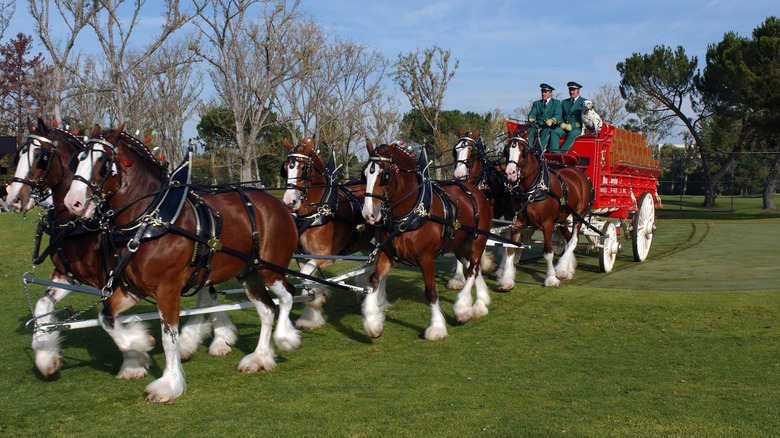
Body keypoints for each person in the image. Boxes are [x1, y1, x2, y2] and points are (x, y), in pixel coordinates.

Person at [527, 83, 565, 153]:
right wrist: (531, 118)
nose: (543, 94)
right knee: (529, 131)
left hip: (548, 127)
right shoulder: (537, 103)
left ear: (550, 93)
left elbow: (558, 115)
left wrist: (552, 121)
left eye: (545, 92)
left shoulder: (556, 103)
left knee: (545, 133)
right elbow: (532, 113)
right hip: (538, 125)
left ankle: (538, 152)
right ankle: (528, 150)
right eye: (542, 92)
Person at [560, 81, 586, 151]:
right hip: (564, 128)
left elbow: (586, 120)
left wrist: (572, 126)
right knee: (554, 131)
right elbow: (560, 115)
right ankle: (552, 152)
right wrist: (562, 124)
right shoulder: (564, 102)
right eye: (570, 90)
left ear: (578, 90)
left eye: (573, 90)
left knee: (573, 133)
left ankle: (561, 153)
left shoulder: (585, 102)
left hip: (577, 129)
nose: (571, 92)